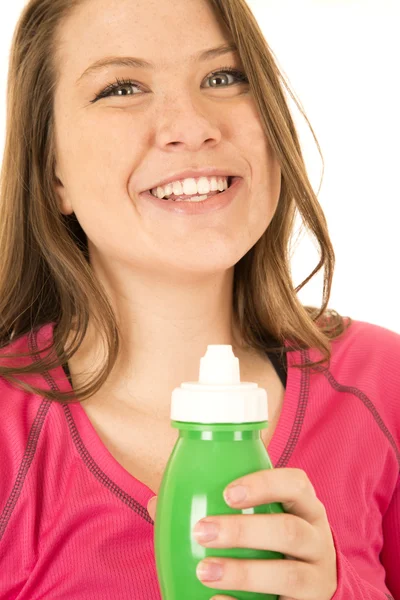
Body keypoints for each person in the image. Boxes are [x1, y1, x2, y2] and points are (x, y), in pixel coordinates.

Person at [0, 0, 398, 598]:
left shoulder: (384, 383)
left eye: (223, 77)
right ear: (52, 170)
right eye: (122, 87)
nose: (192, 124)